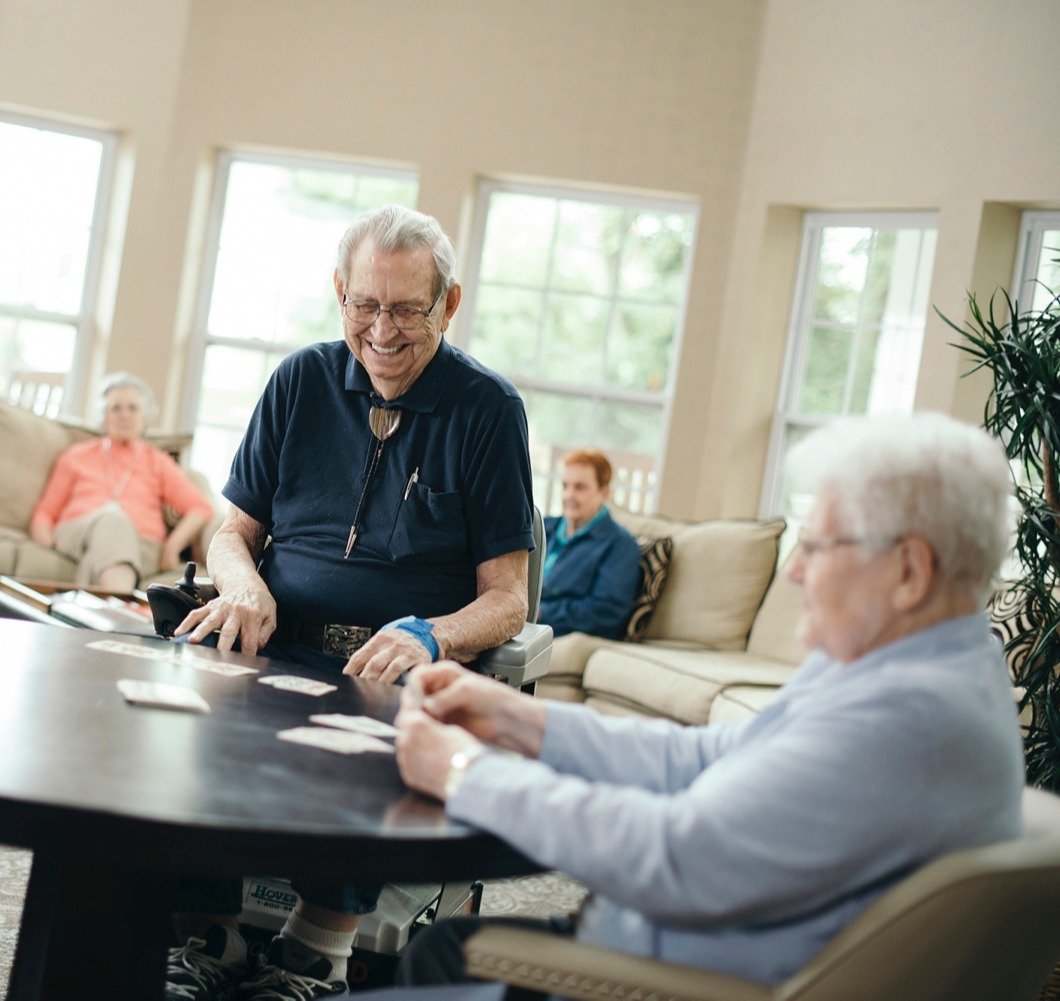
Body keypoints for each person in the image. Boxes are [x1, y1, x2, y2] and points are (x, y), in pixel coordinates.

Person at [391, 412, 1026, 993]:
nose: (797, 570)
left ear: (909, 572)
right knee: (439, 951)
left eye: (820, 544)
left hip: (652, 980)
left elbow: (670, 856)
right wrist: (518, 717)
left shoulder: (903, 721)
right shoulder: (904, 670)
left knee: (437, 957)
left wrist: (461, 772)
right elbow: (703, 755)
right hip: (666, 948)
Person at [165, 205, 535, 1001]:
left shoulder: (488, 410)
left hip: (385, 664)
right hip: (276, 639)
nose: (384, 331)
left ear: (450, 303)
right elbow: (229, 530)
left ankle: (314, 952)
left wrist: (432, 636)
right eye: (366, 305)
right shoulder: (300, 381)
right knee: (191, 695)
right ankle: (208, 931)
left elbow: (509, 598)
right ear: (340, 293)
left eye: (408, 309)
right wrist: (242, 581)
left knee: (381, 721)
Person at [28, 372, 213, 591]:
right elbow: (45, 513)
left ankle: (91, 608)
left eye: (133, 408)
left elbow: (200, 508)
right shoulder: (76, 456)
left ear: (145, 416)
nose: (124, 415)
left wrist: (171, 547)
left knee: (102, 550)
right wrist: (48, 542)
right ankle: (118, 609)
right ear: (104, 416)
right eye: (115, 408)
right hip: (78, 534)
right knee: (112, 519)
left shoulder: (158, 462)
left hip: (141, 544)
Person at [539, 449, 641, 639]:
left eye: (580, 487)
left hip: (556, 630)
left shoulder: (619, 544)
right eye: (565, 486)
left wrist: (540, 613)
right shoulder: (542, 527)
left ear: (605, 492)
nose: (569, 495)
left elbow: (604, 612)